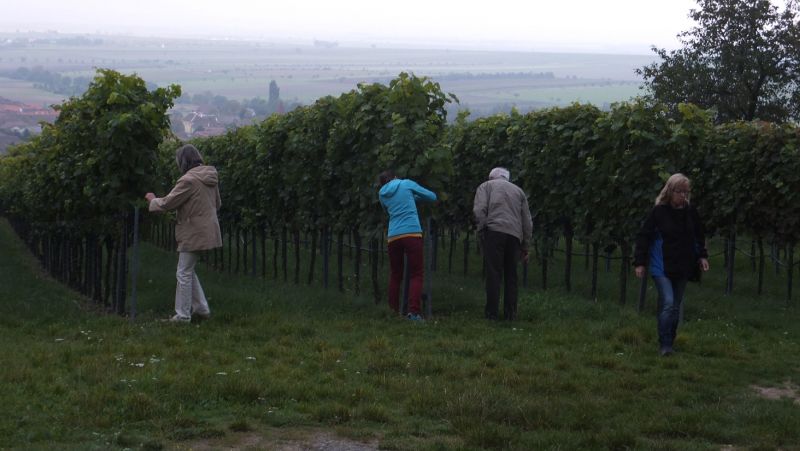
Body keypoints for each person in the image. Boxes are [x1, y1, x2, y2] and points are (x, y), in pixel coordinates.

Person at [634, 173, 709, 356]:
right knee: (668, 302)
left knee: (675, 305)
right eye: (679, 191)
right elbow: (644, 236)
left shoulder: (690, 212)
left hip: (683, 264)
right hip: (662, 265)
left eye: (686, 192)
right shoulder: (659, 212)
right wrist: (640, 262)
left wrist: (702, 256)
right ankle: (664, 344)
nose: (683, 195)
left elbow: (699, 235)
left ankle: (670, 340)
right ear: (670, 191)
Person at [145, 144, 222, 323]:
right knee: (188, 269)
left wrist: (152, 200)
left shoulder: (188, 180)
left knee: (183, 272)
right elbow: (217, 204)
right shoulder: (210, 177)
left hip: (193, 231)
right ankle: (201, 309)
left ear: (183, 161)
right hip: (208, 230)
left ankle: (182, 316)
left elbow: (168, 203)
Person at [473, 167, 533, 321]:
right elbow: (527, 221)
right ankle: (510, 314)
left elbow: (479, 210)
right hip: (514, 235)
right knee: (511, 275)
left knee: (494, 273)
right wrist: (525, 245)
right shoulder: (519, 191)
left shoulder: (486, 186)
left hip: (494, 231)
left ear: (492, 177)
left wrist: (482, 231)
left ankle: (491, 314)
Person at [378, 170, 437, 321]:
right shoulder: (406, 184)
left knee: (395, 275)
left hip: (393, 236)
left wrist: (409, 199)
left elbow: (387, 210)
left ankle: (393, 312)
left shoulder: (382, 194)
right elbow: (432, 197)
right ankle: (413, 313)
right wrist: (414, 197)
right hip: (411, 233)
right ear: (395, 177)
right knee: (416, 274)